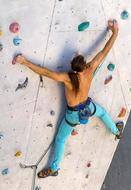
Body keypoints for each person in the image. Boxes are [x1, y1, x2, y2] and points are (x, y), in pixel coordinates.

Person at [15, 19, 123, 178]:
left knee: (60, 140)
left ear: (73, 67)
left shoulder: (67, 78)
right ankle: (115, 131)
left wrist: (24, 62)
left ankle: (54, 168)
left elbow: (45, 72)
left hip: (72, 115)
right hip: (88, 108)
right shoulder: (90, 69)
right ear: (84, 64)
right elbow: (104, 51)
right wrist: (115, 32)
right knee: (101, 113)